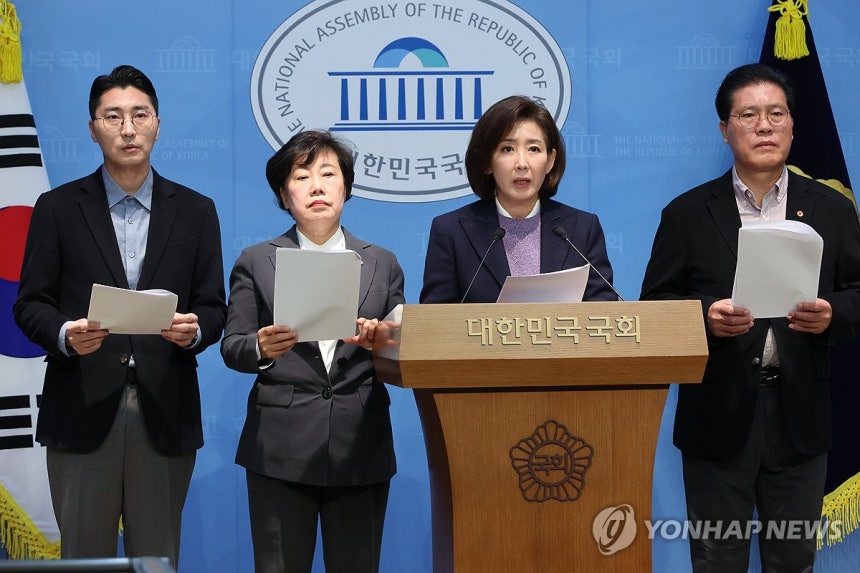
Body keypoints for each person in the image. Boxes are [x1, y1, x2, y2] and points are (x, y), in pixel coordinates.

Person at [640, 63, 860, 572]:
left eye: (776, 114)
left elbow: (857, 292)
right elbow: (655, 306)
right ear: (725, 129)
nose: (764, 126)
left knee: (793, 561)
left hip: (801, 416)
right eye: (748, 115)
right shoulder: (687, 214)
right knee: (717, 561)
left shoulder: (832, 208)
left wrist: (832, 314)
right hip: (717, 416)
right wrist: (705, 318)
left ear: (792, 125)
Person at [13, 65, 227, 567]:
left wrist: (195, 331)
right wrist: (64, 334)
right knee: (83, 559)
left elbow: (214, 307)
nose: (128, 129)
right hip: (81, 406)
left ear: (158, 124)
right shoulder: (57, 207)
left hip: (164, 409)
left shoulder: (196, 210)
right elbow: (29, 304)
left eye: (139, 115)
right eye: (113, 117)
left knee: (156, 559)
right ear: (93, 128)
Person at [220, 129, 404, 573]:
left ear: (346, 188)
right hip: (279, 448)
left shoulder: (382, 262)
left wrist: (381, 341)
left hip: (360, 446)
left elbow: (402, 354)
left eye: (328, 174)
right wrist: (261, 347)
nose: (316, 187)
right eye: (302, 177)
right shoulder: (256, 260)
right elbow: (232, 345)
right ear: (285, 196)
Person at [419, 95, 617, 304]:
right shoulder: (452, 232)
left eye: (534, 149)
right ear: (487, 162)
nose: (522, 163)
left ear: (550, 160)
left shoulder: (581, 229)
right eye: (507, 149)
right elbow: (435, 318)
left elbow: (603, 311)